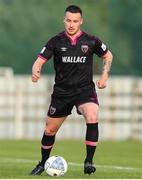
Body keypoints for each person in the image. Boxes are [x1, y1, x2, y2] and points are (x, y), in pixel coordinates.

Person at [30, 5, 113, 176]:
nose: (71, 24)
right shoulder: (56, 41)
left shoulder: (91, 41)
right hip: (62, 93)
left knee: (92, 115)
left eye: (75, 21)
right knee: (49, 130)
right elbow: (39, 60)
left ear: (81, 21)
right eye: (68, 20)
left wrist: (104, 75)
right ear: (64, 20)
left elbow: (108, 56)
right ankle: (43, 162)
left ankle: (89, 161)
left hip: (84, 91)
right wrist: (35, 69)